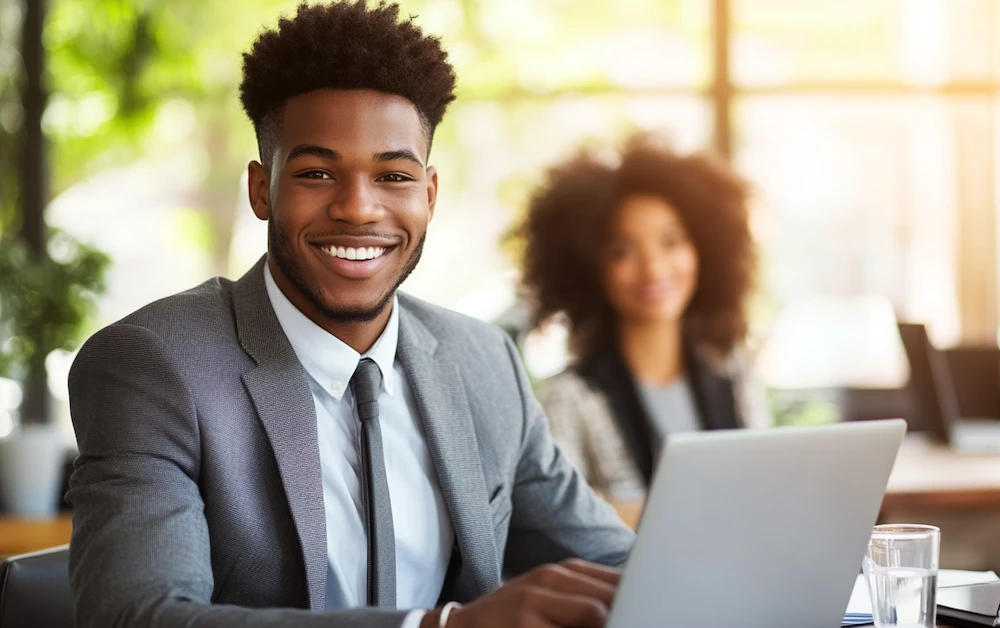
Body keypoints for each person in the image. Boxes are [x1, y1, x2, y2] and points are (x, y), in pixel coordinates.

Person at [65, 3, 634, 628]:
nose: (359, 208)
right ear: (262, 189)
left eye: (392, 175)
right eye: (316, 172)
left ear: (429, 194)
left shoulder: (482, 361)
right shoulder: (153, 366)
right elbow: (137, 615)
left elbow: (620, 565)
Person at [518, 135, 766, 502]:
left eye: (671, 242)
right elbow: (563, 523)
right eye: (622, 251)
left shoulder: (734, 376)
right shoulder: (568, 397)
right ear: (591, 266)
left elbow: (766, 493)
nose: (653, 268)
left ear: (704, 250)